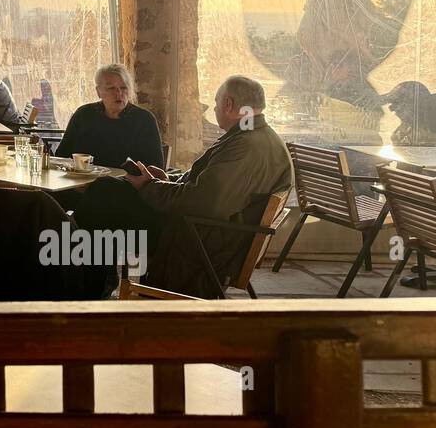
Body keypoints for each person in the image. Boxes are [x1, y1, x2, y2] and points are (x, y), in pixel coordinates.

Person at [67, 75, 292, 296]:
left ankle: (86, 285)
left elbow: (203, 202)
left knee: (104, 193)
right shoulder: (255, 137)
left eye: (215, 104)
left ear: (228, 104)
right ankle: (91, 282)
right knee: (109, 193)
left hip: (196, 239)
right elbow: (207, 187)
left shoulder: (246, 147)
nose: (214, 110)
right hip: (206, 230)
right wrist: (165, 180)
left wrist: (149, 187)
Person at [55, 64, 164, 170]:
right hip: (80, 183)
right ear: (98, 91)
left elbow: (155, 167)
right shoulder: (83, 114)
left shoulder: (144, 120)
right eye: (111, 88)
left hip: (126, 184)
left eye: (123, 87)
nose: (119, 93)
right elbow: (61, 155)